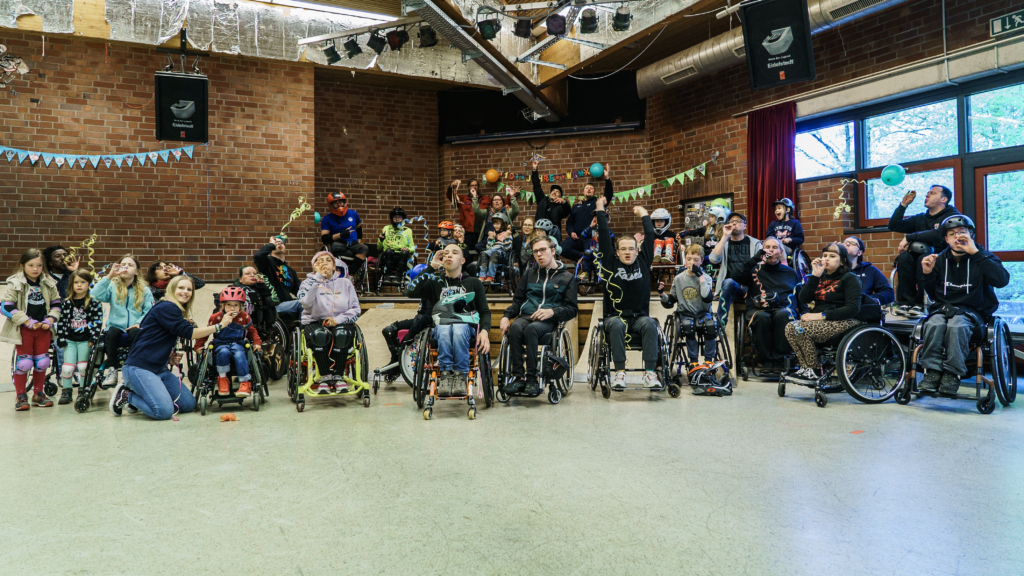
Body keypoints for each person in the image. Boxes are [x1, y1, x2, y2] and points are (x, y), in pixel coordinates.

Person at [109, 275, 235, 420]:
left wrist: (168, 357)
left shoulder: (174, 310)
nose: (185, 292)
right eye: (181, 288)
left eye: (189, 289)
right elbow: (190, 333)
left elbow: (156, 338)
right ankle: (127, 395)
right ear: (172, 289)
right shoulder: (167, 307)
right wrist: (219, 326)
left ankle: (144, 395)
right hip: (139, 368)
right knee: (163, 412)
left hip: (159, 369)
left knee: (188, 404)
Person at [917, 215, 1010, 395]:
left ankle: (952, 374)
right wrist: (927, 274)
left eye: (962, 232)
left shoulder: (984, 257)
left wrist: (976, 253)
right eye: (952, 234)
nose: (957, 236)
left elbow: (1001, 281)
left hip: (973, 312)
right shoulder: (939, 259)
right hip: (944, 309)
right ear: (946, 239)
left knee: (957, 324)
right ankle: (932, 373)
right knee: (934, 323)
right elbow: (935, 295)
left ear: (971, 235)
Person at [403, 244, 491, 396]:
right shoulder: (435, 282)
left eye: (454, 253)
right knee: (444, 328)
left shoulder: (474, 283)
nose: (449, 255)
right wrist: (431, 267)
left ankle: (460, 375)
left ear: (463, 260)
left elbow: (484, 312)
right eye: (445, 253)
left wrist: (484, 331)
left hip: (466, 329)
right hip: (441, 327)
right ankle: (445, 375)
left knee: (458, 328)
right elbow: (409, 291)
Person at [594, 197, 661, 390]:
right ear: (616, 252)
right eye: (623, 249)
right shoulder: (610, 263)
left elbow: (650, 234)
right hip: (615, 317)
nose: (627, 252)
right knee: (615, 324)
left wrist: (644, 215)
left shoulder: (644, 260)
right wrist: (600, 209)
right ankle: (619, 373)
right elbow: (605, 235)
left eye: (631, 249)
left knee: (650, 323)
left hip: (639, 317)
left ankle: (650, 373)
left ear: (637, 250)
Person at [500, 236, 579, 394]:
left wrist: (552, 312)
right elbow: (518, 301)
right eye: (536, 251)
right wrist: (506, 316)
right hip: (526, 316)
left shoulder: (567, 278)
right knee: (515, 327)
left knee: (532, 330)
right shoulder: (529, 274)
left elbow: (572, 309)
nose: (539, 254)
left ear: (553, 251)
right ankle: (518, 378)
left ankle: (532, 378)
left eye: (543, 250)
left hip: (548, 320)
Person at [784, 243, 863, 384]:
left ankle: (813, 370)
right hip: (822, 320)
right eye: (825, 255)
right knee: (790, 327)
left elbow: (852, 308)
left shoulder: (850, 278)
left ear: (843, 261)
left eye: (832, 256)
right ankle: (806, 367)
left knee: (800, 328)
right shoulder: (821, 278)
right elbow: (803, 298)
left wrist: (820, 316)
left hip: (845, 320)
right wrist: (815, 275)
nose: (826, 259)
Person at [887, 185, 960, 317]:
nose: (927, 195)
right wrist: (903, 205)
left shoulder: (952, 215)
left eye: (932, 193)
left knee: (924, 259)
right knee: (904, 258)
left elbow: (939, 234)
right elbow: (893, 225)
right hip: (918, 255)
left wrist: (909, 237)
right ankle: (906, 303)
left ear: (944, 199)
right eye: (927, 193)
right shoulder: (920, 218)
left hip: (943, 258)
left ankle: (921, 304)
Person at [1, 249, 61, 410]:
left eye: (39, 265)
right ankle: (20, 395)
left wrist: (50, 319)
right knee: (25, 363)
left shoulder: (49, 283)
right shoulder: (15, 283)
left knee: (42, 362)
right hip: (24, 330)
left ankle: (38, 394)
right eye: (31, 265)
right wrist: (26, 320)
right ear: (22, 266)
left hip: (43, 329)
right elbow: (5, 306)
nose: (35, 269)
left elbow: (56, 304)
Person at [297, 251, 361, 394]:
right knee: (319, 334)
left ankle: (338, 376)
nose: (324, 263)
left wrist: (337, 320)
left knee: (342, 334)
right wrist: (318, 278)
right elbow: (305, 303)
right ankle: (325, 377)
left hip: (340, 322)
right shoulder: (307, 283)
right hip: (314, 322)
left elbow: (356, 309)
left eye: (328, 260)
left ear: (334, 266)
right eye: (319, 261)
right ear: (314, 267)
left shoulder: (345, 283)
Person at [91, 255, 154, 387]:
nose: (125, 267)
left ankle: (130, 370)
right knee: (111, 332)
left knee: (135, 332)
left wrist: (139, 323)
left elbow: (149, 310)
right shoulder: (112, 286)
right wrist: (109, 276)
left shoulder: (145, 290)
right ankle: (112, 370)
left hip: (136, 326)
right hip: (116, 327)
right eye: (122, 264)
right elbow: (95, 295)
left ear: (136, 272)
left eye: (130, 265)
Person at [740, 238, 799, 368]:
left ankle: (780, 360)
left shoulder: (790, 273)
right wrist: (756, 258)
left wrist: (805, 313)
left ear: (781, 251)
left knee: (782, 315)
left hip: (784, 309)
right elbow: (735, 276)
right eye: (767, 247)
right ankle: (765, 361)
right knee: (762, 317)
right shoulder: (754, 270)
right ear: (762, 249)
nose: (771, 250)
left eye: (775, 247)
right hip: (758, 310)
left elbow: (800, 295)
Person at [194, 287, 261, 398]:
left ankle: (245, 382)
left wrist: (257, 342)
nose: (232, 308)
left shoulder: (245, 317)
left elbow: (252, 332)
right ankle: (222, 379)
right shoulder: (216, 317)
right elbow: (206, 332)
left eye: (235, 305)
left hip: (238, 343)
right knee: (223, 352)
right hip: (221, 343)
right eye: (228, 305)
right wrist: (199, 345)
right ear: (223, 305)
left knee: (240, 354)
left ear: (241, 306)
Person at [658, 244, 716, 367]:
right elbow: (670, 302)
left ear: (701, 261)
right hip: (686, 314)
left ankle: (709, 360)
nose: (692, 262)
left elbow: (706, 298)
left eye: (696, 260)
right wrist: (662, 294)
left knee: (711, 326)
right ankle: (693, 361)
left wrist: (700, 277)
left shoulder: (706, 278)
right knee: (688, 326)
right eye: (689, 259)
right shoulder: (679, 278)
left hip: (703, 313)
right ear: (685, 260)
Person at [54, 270, 103, 405]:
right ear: (71, 285)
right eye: (76, 282)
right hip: (70, 340)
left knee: (83, 366)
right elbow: (62, 322)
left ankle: (83, 390)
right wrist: (61, 338)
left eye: (83, 282)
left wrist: (93, 338)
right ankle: (66, 390)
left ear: (89, 284)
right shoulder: (66, 303)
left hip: (85, 340)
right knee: (67, 367)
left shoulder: (94, 303)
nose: (79, 285)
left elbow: (97, 322)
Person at [380, 264, 434, 378]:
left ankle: (399, 361)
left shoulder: (430, 288)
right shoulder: (423, 288)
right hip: (418, 319)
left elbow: (428, 317)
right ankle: (395, 361)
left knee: (403, 338)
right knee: (389, 330)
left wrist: (412, 332)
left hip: (424, 322)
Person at [709, 213, 762, 326]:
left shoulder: (755, 244)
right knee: (728, 281)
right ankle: (720, 324)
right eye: (731, 221)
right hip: (731, 287)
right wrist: (724, 236)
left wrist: (753, 288)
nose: (734, 223)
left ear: (745, 226)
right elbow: (713, 259)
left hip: (751, 287)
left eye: (738, 221)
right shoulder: (725, 243)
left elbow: (762, 265)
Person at [561, 166, 615, 263]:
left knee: (592, 259)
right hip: (577, 238)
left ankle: (586, 263)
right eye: (587, 188)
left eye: (591, 188)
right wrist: (571, 232)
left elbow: (608, 194)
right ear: (583, 191)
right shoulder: (576, 206)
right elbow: (570, 222)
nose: (589, 190)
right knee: (563, 248)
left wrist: (607, 178)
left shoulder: (598, 202)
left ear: (594, 192)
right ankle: (582, 258)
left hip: (591, 237)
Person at [254, 236, 301, 322]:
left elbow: (299, 290)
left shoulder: (291, 271)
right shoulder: (267, 263)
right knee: (302, 304)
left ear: (285, 249)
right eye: (276, 243)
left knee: (309, 304)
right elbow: (258, 256)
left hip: (289, 304)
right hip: (274, 306)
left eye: (281, 243)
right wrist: (271, 244)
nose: (279, 244)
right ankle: (304, 333)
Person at [321, 191, 368, 274]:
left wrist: (358, 242)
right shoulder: (326, 219)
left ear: (344, 202)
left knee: (364, 248)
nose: (339, 205)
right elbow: (325, 239)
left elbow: (359, 228)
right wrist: (341, 235)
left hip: (353, 245)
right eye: (336, 203)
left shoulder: (353, 214)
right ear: (331, 205)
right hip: (339, 245)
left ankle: (350, 275)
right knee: (335, 246)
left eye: (341, 202)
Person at [842, 236, 894, 306]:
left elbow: (889, 294)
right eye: (845, 243)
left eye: (852, 243)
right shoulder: (831, 269)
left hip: (861, 310)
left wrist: (866, 299)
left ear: (859, 253)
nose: (847, 244)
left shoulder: (870, 270)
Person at [530, 159, 571, 242]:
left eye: (557, 192)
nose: (554, 192)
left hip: (554, 231)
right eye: (553, 191)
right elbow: (537, 186)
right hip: (540, 229)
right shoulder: (542, 200)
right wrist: (534, 170)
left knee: (554, 252)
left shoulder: (561, 206)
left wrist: (564, 202)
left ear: (560, 196)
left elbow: (568, 212)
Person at [475, 212, 513, 282]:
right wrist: (490, 238)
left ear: (503, 224)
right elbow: (488, 248)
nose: (495, 226)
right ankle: (482, 275)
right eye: (494, 223)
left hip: (502, 252)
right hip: (492, 250)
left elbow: (508, 248)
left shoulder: (507, 234)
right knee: (483, 253)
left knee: (495, 253)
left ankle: (490, 276)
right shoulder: (493, 234)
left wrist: (507, 236)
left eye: (498, 224)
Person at [377, 207, 416, 275]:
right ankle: (388, 274)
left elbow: (412, 248)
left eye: (399, 217)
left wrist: (408, 249)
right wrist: (380, 240)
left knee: (404, 253)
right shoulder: (386, 228)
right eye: (395, 217)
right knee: (388, 251)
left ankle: (399, 275)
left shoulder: (408, 230)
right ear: (392, 218)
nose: (397, 219)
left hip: (402, 254)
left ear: (403, 219)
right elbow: (379, 248)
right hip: (388, 254)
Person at [446, 178, 482, 247]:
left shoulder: (484, 199)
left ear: (478, 187)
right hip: (467, 231)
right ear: (468, 187)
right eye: (472, 185)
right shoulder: (463, 198)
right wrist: (452, 186)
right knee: (466, 252)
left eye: (476, 185)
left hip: (480, 231)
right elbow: (450, 197)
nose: (474, 187)